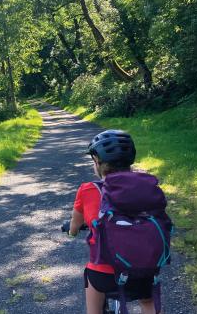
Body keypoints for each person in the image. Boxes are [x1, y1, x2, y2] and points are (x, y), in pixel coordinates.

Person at [66, 130, 157, 314]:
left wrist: (72, 231)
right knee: (148, 303)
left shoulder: (87, 190)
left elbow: (75, 226)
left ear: (97, 163)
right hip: (143, 268)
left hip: (104, 273)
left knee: (93, 283)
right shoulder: (145, 186)